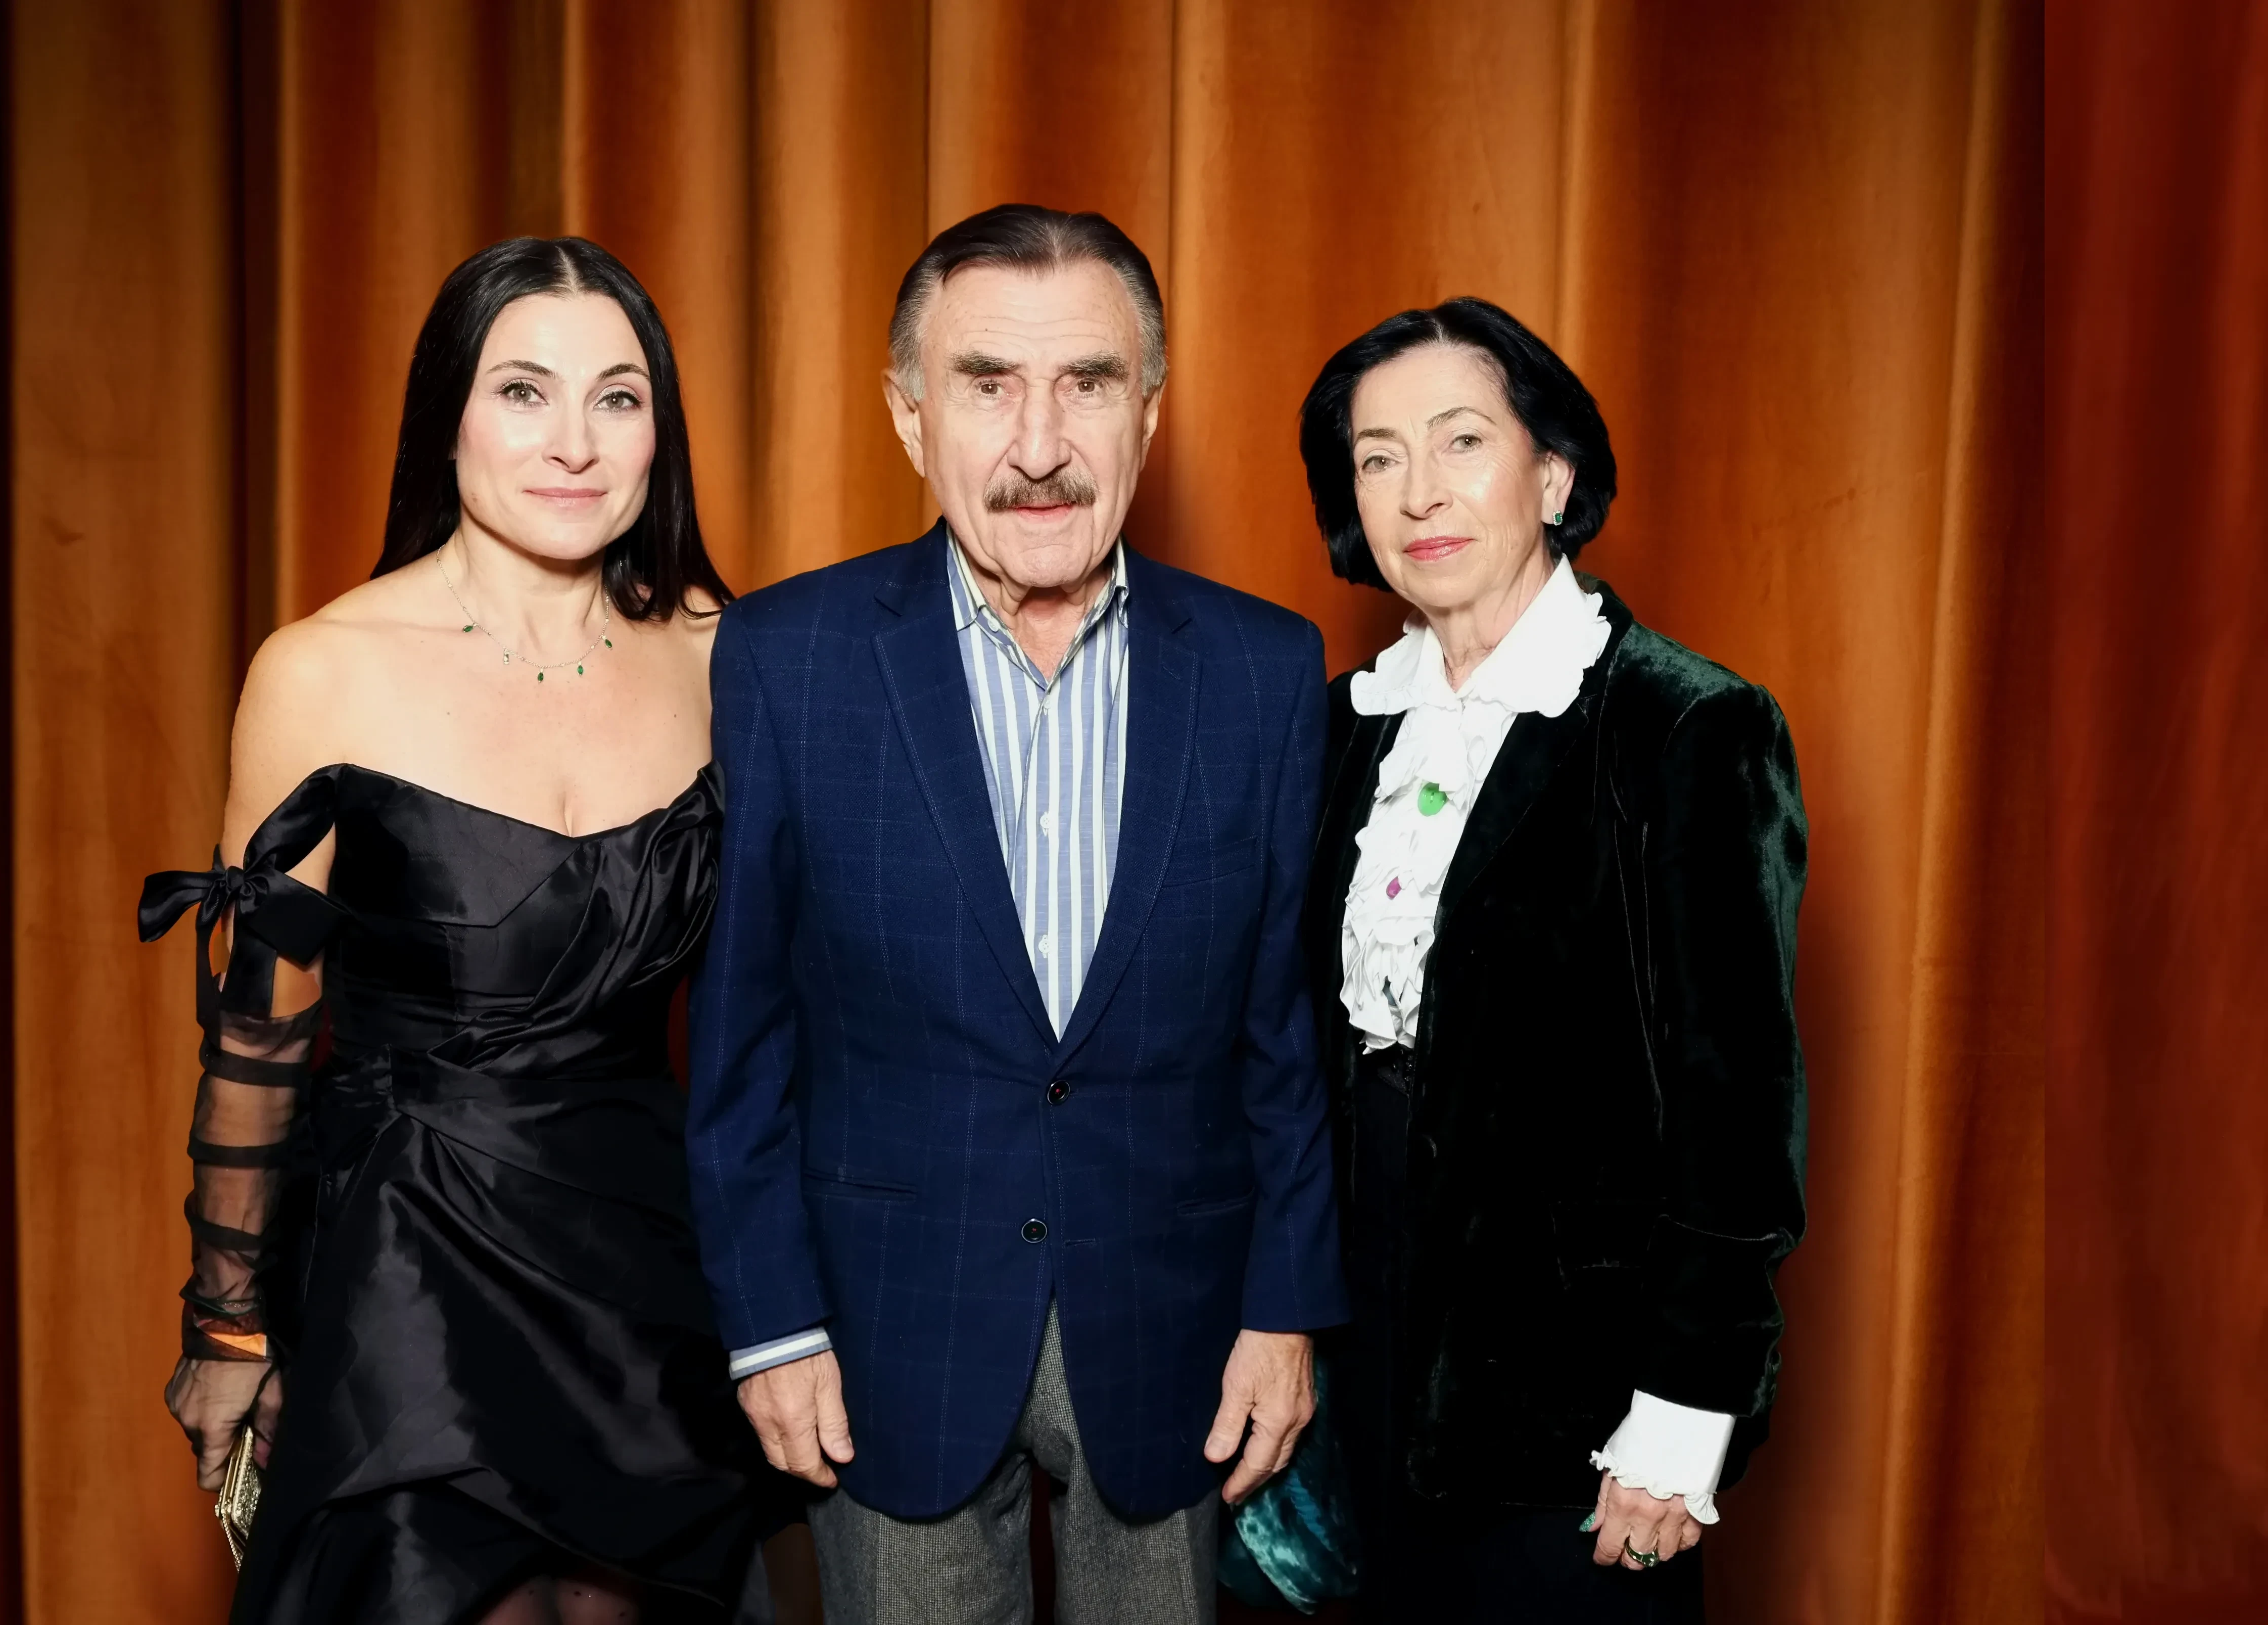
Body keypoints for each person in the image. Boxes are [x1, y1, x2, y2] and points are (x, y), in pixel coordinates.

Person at [685, 203, 1347, 1624]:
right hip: (882, 1333)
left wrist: (1285, 1307)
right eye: (987, 383)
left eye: (1088, 383)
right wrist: (771, 1325)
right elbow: (741, 1037)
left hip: (1172, 1333)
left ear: (1148, 415)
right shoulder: (787, 657)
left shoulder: (1265, 671)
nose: (1039, 444)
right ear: (910, 418)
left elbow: (1281, 1038)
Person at [137, 237, 801, 1624]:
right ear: (447, 415)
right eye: (522, 391)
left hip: (654, 1275)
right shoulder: (323, 670)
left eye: (617, 398)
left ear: (660, 432)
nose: (574, 442)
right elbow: (259, 1043)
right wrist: (228, 1323)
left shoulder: (728, 655)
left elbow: (800, 1004)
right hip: (409, 1263)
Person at [1296, 298, 1808, 1622]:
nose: (1419, 490)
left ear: (1555, 475)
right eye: (1378, 457)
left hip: (1577, 1374)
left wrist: (1684, 1409)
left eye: (1462, 440)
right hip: (1366, 1334)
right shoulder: (1344, 727)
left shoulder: (1686, 726)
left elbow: (1737, 1111)